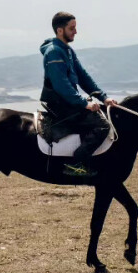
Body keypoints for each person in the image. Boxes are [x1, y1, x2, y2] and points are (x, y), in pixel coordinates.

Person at [40, 12, 118, 177]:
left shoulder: (67, 50)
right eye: (72, 28)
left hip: (67, 101)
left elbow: (83, 77)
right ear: (60, 30)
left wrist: (103, 97)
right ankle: (76, 164)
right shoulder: (54, 52)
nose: (75, 32)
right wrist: (84, 103)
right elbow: (61, 85)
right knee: (103, 125)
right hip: (60, 103)